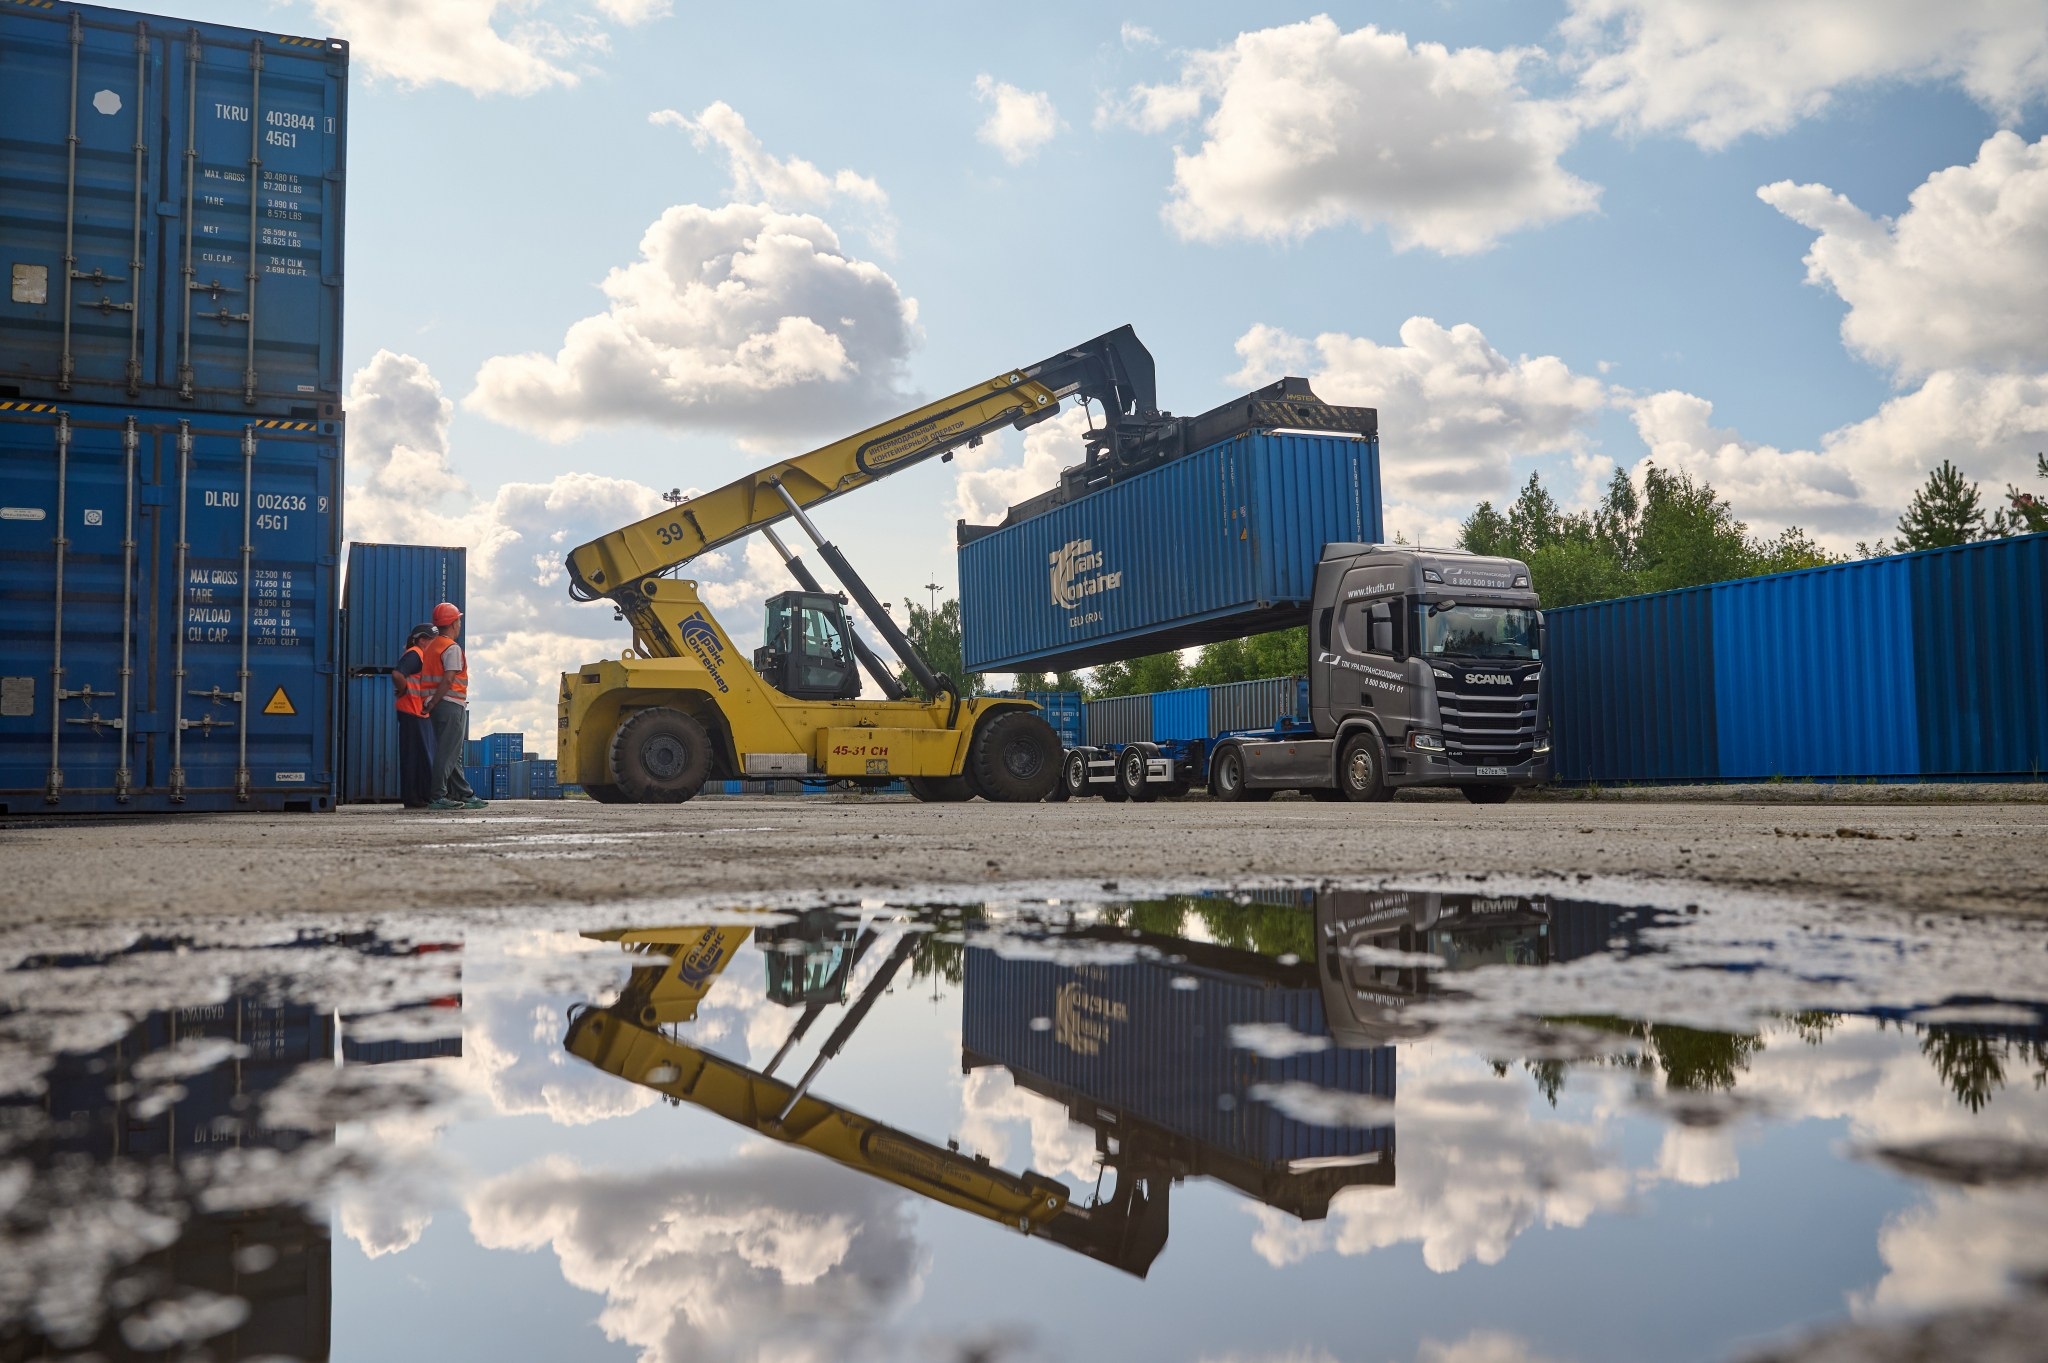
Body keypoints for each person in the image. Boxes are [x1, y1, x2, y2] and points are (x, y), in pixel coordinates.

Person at [418, 601, 487, 810]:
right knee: (447, 753)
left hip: (437, 705)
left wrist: (430, 704)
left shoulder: (432, 647)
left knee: (452, 752)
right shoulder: (451, 648)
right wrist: (436, 702)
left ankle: (465, 794)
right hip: (450, 704)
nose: (460, 624)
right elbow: (448, 680)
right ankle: (438, 795)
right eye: (459, 620)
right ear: (454, 623)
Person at [391, 623, 438, 808]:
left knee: (423, 758)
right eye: (432, 641)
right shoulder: (415, 654)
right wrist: (404, 691)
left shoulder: (422, 655)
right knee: (413, 758)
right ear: (422, 640)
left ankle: (421, 797)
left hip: (419, 713)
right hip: (411, 711)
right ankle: (413, 799)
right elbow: (397, 674)